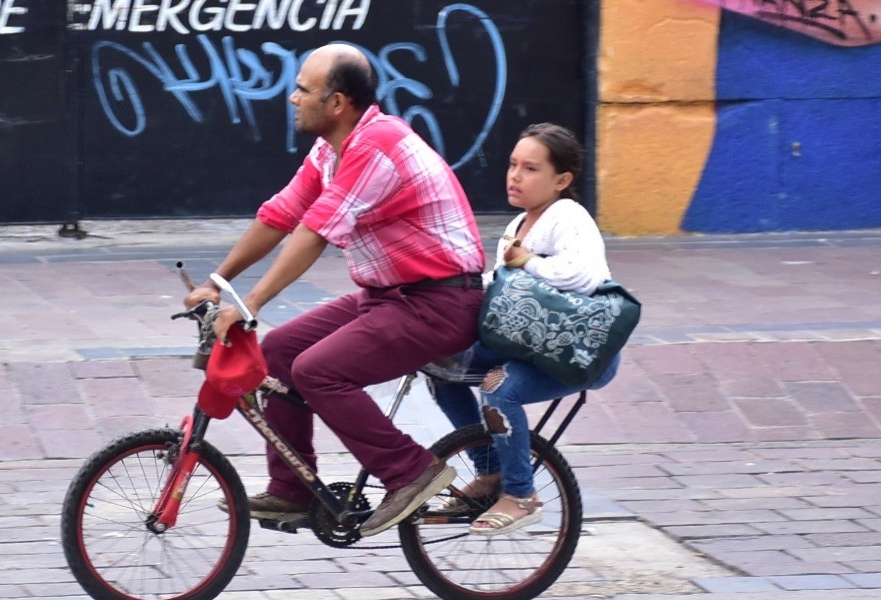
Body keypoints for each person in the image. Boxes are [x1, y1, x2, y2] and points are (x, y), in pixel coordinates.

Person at [184, 43, 486, 537]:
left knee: (318, 371)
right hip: (389, 297)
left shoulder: (376, 146)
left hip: (441, 302)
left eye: (303, 89)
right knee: (279, 352)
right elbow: (281, 215)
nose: (292, 97)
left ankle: (411, 471)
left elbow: (313, 233)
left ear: (339, 102)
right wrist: (218, 282)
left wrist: (251, 302)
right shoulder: (331, 150)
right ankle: (292, 491)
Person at [429, 123, 620, 535]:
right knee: (440, 366)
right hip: (533, 343)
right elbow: (500, 287)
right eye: (513, 165)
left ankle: (520, 494)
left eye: (530, 168)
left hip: (581, 350)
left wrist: (525, 261)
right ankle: (490, 470)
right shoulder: (518, 227)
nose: (515, 176)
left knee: (499, 389)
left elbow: (579, 274)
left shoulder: (569, 216)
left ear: (562, 180)